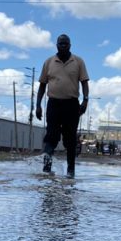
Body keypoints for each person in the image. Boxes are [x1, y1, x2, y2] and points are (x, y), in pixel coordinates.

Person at [35, 34, 90, 178]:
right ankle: (46, 170)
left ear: (70, 45)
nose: (63, 46)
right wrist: (38, 105)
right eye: (60, 43)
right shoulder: (49, 62)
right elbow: (42, 85)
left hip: (71, 105)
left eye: (66, 44)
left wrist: (85, 100)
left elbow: (84, 82)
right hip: (53, 104)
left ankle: (71, 172)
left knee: (70, 139)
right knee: (51, 137)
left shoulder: (78, 62)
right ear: (56, 45)